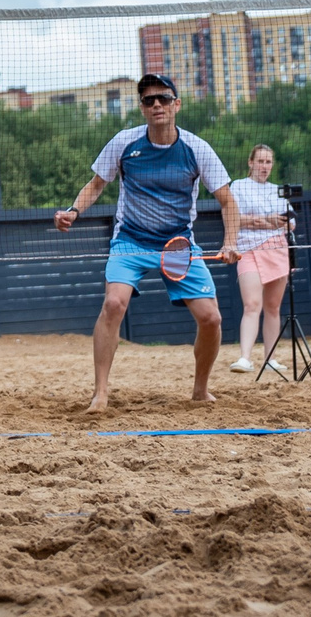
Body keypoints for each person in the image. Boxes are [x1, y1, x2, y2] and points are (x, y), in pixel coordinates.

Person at [54, 74, 242, 412]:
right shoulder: (125, 142)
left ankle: (200, 390)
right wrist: (73, 211)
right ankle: (100, 394)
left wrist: (230, 242)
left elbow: (228, 201)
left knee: (211, 319)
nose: (156, 104)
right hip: (131, 242)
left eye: (164, 99)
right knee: (114, 304)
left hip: (179, 245)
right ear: (141, 108)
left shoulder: (197, 148)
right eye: (148, 100)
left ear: (176, 105)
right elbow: (97, 184)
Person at [226, 145, 292, 375]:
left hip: (276, 250)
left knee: (273, 307)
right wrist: (267, 221)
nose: (264, 166)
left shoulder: (278, 190)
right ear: (250, 162)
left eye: (268, 162)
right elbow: (235, 218)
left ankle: (270, 359)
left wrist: (271, 222)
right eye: (260, 161)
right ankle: (245, 358)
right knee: (252, 304)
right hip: (248, 250)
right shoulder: (238, 186)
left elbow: (289, 222)